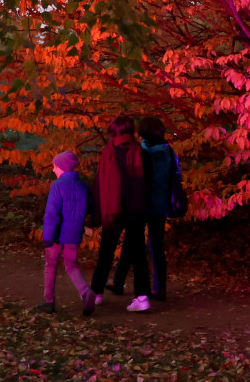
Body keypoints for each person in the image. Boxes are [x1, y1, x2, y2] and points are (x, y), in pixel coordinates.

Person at [88, 114, 153, 312]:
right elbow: (149, 184)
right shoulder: (141, 154)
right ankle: (142, 297)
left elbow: (100, 185)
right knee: (138, 254)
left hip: (113, 210)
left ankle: (96, 293)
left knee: (106, 252)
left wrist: (96, 214)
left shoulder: (108, 153)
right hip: (137, 209)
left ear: (114, 131)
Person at [108, 116, 174, 301]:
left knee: (131, 240)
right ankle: (160, 288)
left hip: (141, 203)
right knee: (156, 246)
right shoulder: (169, 151)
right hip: (161, 204)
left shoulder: (141, 152)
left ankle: (118, 281)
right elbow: (173, 177)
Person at [34, 151, 94, 316]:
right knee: (71, 265)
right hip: (74, 234)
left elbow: (52, 214)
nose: (53, 170)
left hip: (57, 235)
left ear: (62, 167)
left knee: (51, 265)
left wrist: (48, 237)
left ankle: (49, 301)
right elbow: (88, 209)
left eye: (55, 166)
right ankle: (86, 292)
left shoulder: (58, 186)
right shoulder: (83, 186)